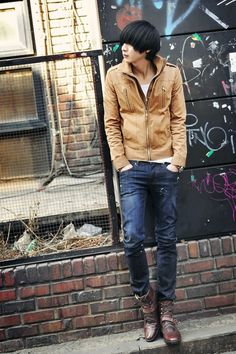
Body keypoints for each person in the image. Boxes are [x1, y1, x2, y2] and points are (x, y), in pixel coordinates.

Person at [104, 20, 187, 345]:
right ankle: (146, 301)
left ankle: (166, 311)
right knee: (133, 239)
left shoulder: (171, 73)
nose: (123, 48)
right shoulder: (114, 76)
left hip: (165, 166)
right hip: (133, 169)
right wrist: (121, 163)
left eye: (130, 44)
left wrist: (177, 160)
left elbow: (178, 118)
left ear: (147, 49)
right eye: (123, 43)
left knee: (167, 240)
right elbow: (112, 123)